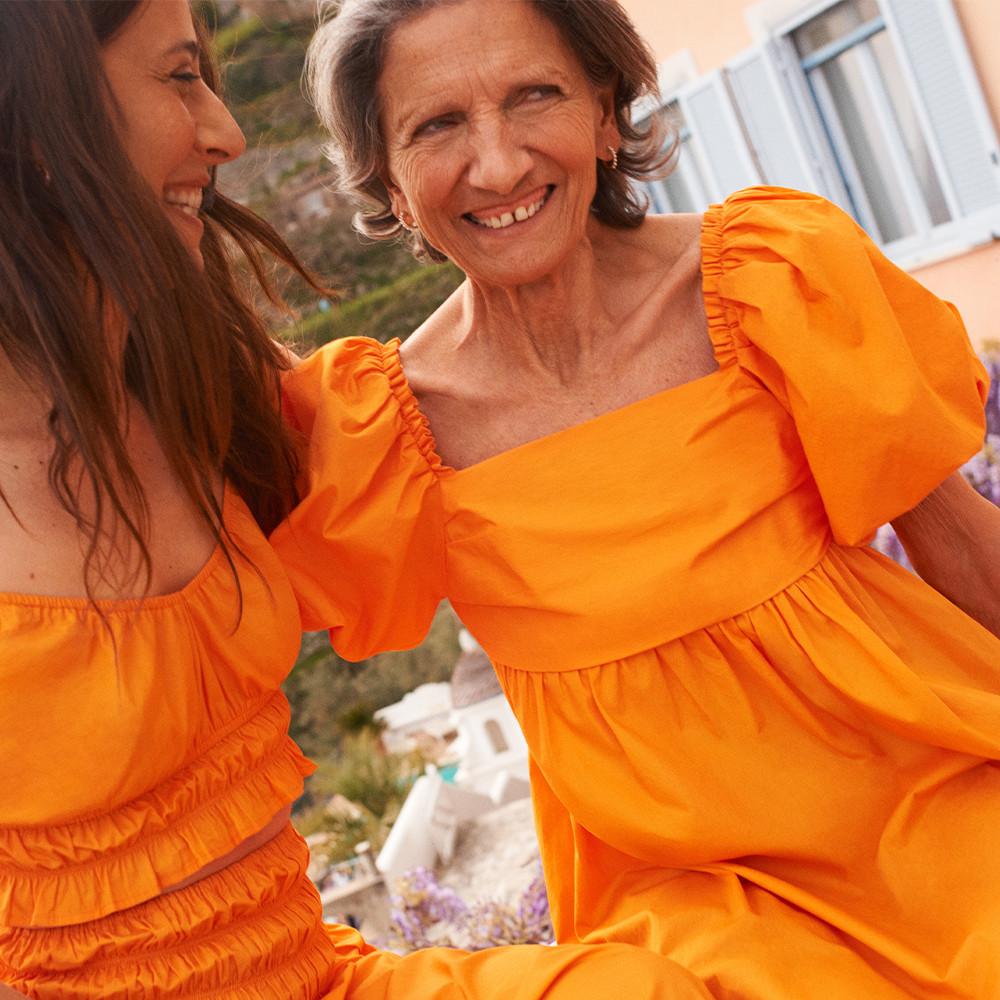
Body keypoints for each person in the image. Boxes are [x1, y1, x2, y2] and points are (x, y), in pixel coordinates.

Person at [276, 0, 1000, 996]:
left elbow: (962, 550)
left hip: (935, 797)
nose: (496, 164)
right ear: (389, 184)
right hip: (693, 900)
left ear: (606, 114)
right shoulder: (388, 435)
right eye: (436, 125)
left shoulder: (769, 281)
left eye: (535, 96)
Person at [0, 1, 716, 997]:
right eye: (176, 77)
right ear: (36, 119)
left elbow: (498, 441)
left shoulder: (206, 380)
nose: (227, 131)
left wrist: (703, 299)